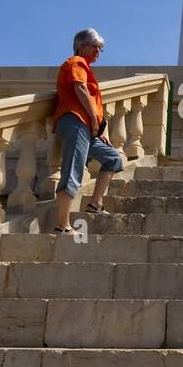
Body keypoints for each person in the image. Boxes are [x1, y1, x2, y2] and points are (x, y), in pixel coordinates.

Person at [52, 28, 125, 233]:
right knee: (73, 172)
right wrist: (93, 118)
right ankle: (62, 225)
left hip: (85, 127)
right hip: (76, 122)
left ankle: (95, 203)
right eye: (95, 46)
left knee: (113, 158)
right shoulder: (76, 62)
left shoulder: (84, 66)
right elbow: (80, 88)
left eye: (101, 49)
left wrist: (97, 129)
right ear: (80, 45)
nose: (98, 52)